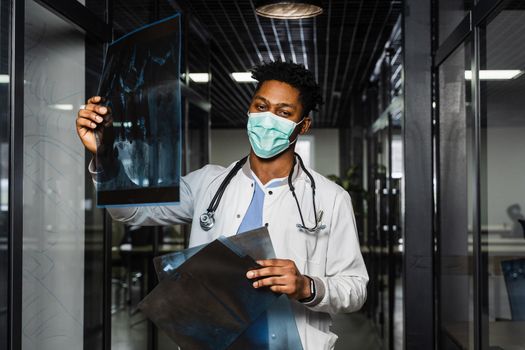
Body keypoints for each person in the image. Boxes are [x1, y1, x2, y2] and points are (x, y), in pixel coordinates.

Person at [76, 60, 368, 349]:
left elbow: (355, 287)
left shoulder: (330, 198)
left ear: (303, 125)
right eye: (261, 106)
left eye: (284, 112)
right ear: (250, 110)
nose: (268, 119)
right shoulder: (208, 183)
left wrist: (307, 286)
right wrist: (106, 155)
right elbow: (132, 212)